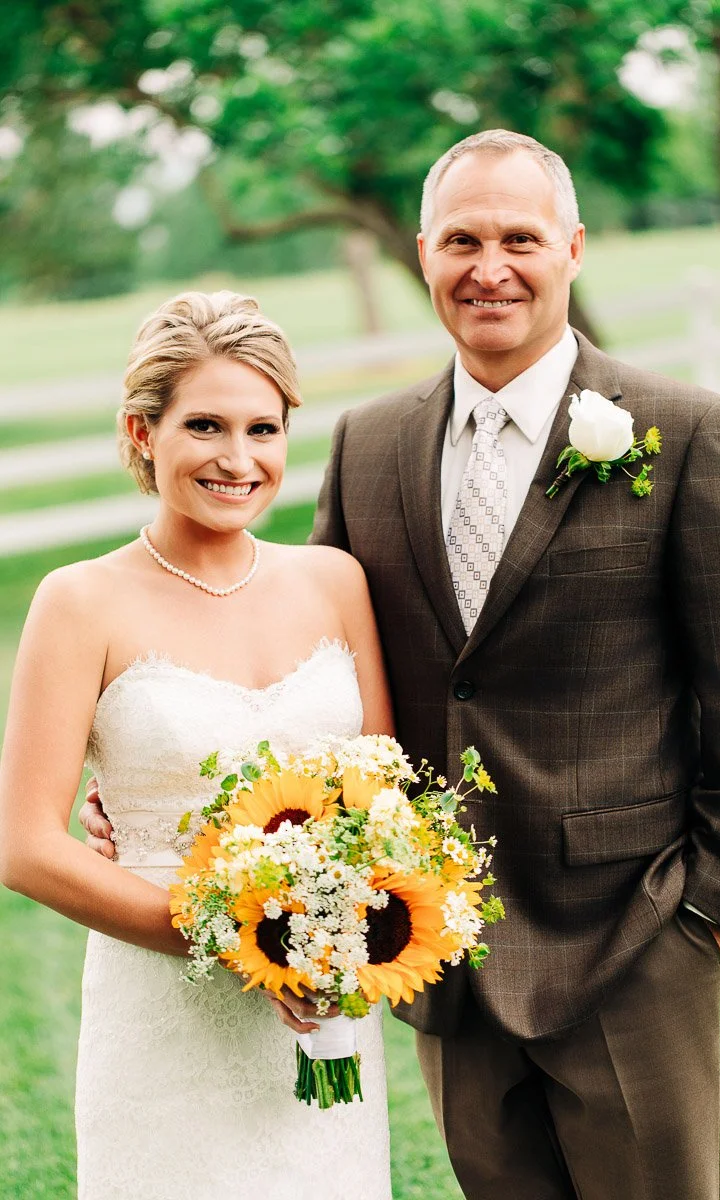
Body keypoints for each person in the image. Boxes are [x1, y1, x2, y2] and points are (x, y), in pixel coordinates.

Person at [80, 130, 720, 1199]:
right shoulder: (368, 444)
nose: (488, 266)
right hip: (434, 950)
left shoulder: (683, 432)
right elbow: (311, 672)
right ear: (422, 254)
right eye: (461, 238)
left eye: (519, 237)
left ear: (573, 248)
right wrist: (163, 788)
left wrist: (705, 911)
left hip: (631, 939)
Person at [0, 290, 395, 1200]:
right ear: (142, 433)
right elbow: (27, 848)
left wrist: (337, 941)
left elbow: (384, 796)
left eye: (264, 428)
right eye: (206, 425)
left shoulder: (335, 582)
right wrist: (247, 939)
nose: (238, 459)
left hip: (322, 1009)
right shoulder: (78, 602)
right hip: (162, 1019)